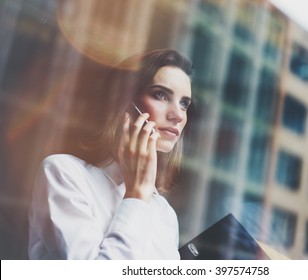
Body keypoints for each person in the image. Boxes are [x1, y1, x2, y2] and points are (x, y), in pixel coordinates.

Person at [28, 49, 194, 259]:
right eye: (160, 95)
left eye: (184, 103)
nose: (178, 115)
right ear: (125, 101)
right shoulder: (62, 173)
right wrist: (137, 196)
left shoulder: (165, 214)